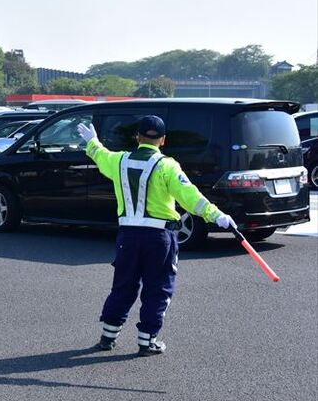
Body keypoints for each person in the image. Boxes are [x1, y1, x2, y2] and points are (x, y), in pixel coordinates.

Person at [77, 116, 236, 356]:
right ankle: (147, 340)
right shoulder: (167, 166)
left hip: (128, 236)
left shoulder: (120, 160)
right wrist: (216, 215)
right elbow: (189, 196)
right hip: (159, 237)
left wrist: (92, 142)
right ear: (162, 140)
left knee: (123, 285)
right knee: (158, 286)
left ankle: (108, 336)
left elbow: (101, 156)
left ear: (137, 137)